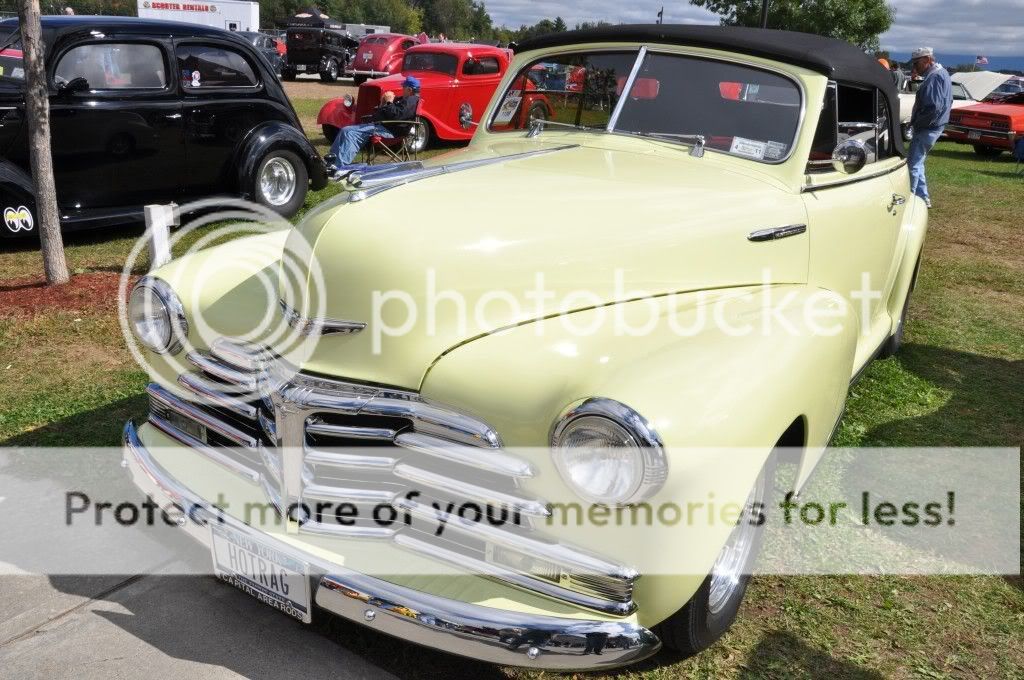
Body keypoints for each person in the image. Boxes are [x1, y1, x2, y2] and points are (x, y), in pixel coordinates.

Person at [326, 75, 421, 172]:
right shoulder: (405, 100)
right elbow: (388, 112)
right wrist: (383, 103)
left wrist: (389, 102)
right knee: (345, 129)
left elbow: (396, 116)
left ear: (409, 89)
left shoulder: (411, 101)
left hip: (390, 132)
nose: (402, 89)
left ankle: (340, 166)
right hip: (382, 126)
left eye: (403, 88)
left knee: (351, 133)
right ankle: (331, 161)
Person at [907, 47, 952, 208]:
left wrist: (917, 122)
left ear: (927, 60)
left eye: (916, 62)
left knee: (912, 164)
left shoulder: (935, 76)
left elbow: (933, 107)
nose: (915, 67)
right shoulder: (942, 74)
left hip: (928, 127)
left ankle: (910, 199)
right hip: (933, 126)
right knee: (918, 163)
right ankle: (922, 198)